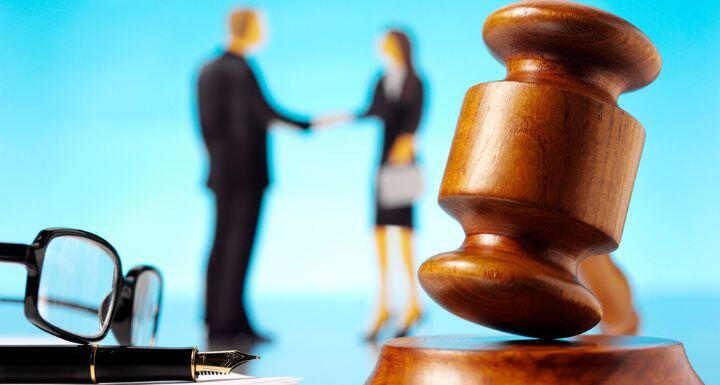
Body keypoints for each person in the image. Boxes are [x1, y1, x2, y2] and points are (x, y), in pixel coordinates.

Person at [197, 8, 311, 345]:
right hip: (246, 172)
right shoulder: (242, 69)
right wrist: (308, 124)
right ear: (249, 29)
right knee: (239, 246)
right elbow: (265, 113)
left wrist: (216, 157)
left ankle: (219, 316)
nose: (266, 32)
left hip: (221, 171)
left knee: (221, 244)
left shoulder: (207, 70)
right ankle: (229, 321)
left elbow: (205, 125)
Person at [317, 29, 425, 340]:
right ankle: (383, 304)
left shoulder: (416, 82)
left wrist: (405, 145)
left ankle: (413, 303)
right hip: (383, 164)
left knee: (404, 234)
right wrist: (341, 117)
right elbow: (371, 111)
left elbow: (415, 122)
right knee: (379, 231)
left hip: (403, 164)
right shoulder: (382, 79)